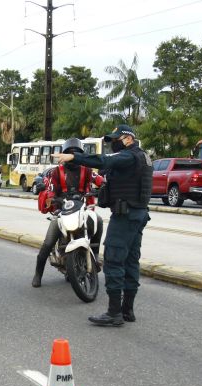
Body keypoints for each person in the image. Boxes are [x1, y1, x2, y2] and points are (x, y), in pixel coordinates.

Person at [53, 125, 152, 326]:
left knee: (114, 261)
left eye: (116, 139)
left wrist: (74, 157)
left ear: (128, 138)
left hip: (125, 216)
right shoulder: (143, 157)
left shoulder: (129, 156)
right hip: (138, 214)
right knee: (131, 262)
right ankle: (127, 310)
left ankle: (114, 313)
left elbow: (104, 161)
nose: (113, 143)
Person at [32, 138, 104, 288]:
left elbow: (99, 180)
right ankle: (38, 274)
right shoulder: (56, 171)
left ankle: (95, 255)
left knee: (98, 220)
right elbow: (51, 189)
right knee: (48, 242)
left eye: (76, 153)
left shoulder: (87, 170)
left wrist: (104, 185)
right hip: (62, 210)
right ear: (64, 154)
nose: (73, 155)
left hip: (83, 209)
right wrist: (52, 197)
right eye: (70, 152)